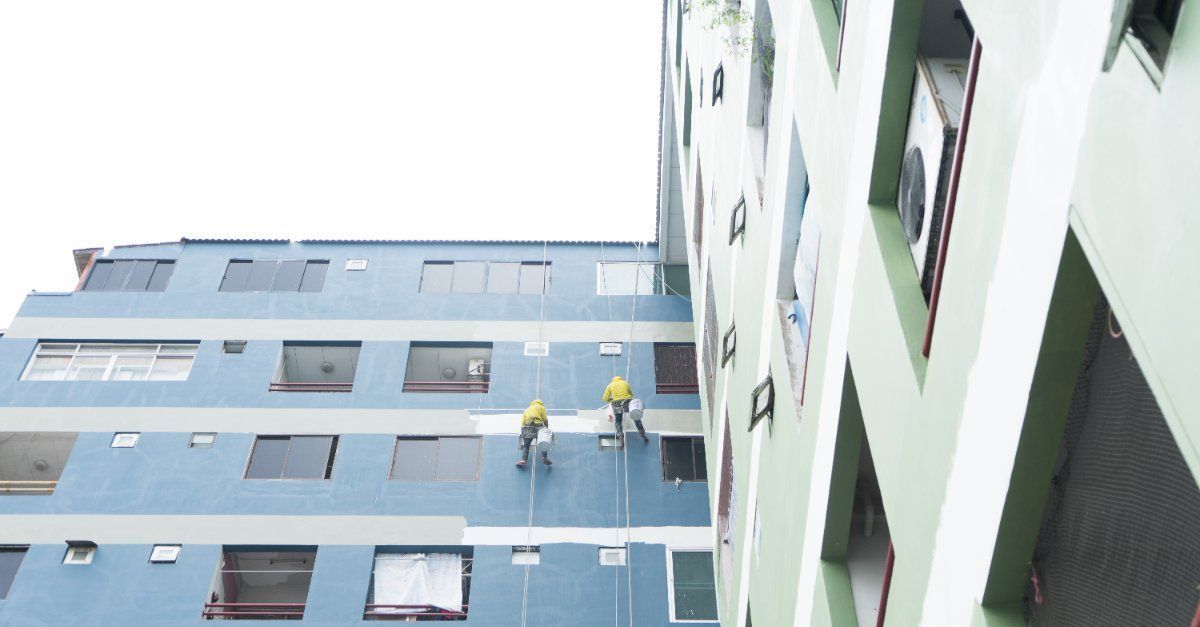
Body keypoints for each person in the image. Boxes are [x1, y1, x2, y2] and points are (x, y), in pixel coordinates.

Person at [602, 376, 647, 443]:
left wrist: (611, 400)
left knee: (618, 420)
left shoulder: (610, 385)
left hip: (616, 403)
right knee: (635, 415)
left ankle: (620, 434)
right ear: (621, 379)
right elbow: (631, 395)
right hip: (626, 401)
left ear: (613, 380)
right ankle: (642, 432)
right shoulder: (626, 383)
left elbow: (605, 398)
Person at [517, 399, 552, 467]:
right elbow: (545, 419)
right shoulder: (542, 407)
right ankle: (544, 458)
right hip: (539, 426)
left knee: (526, 445)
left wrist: (523, 431)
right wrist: (546, 428)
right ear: (541, 403)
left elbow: (523, 421)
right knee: (543, 442)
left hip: (528, 426)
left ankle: (523, 460)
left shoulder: (527, 409)